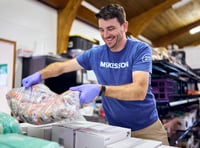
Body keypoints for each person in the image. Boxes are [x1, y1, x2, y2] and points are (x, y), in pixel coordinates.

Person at [22, 4, 169, 145]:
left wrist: (100, 89)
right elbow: (61, 67)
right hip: (116, 130)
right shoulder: (96, 54)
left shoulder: (140, 49)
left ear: (124, 26)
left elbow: (139, 91)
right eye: (102, 30)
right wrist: (40, 75)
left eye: (111, 29)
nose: (106, 35)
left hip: (148, 129)